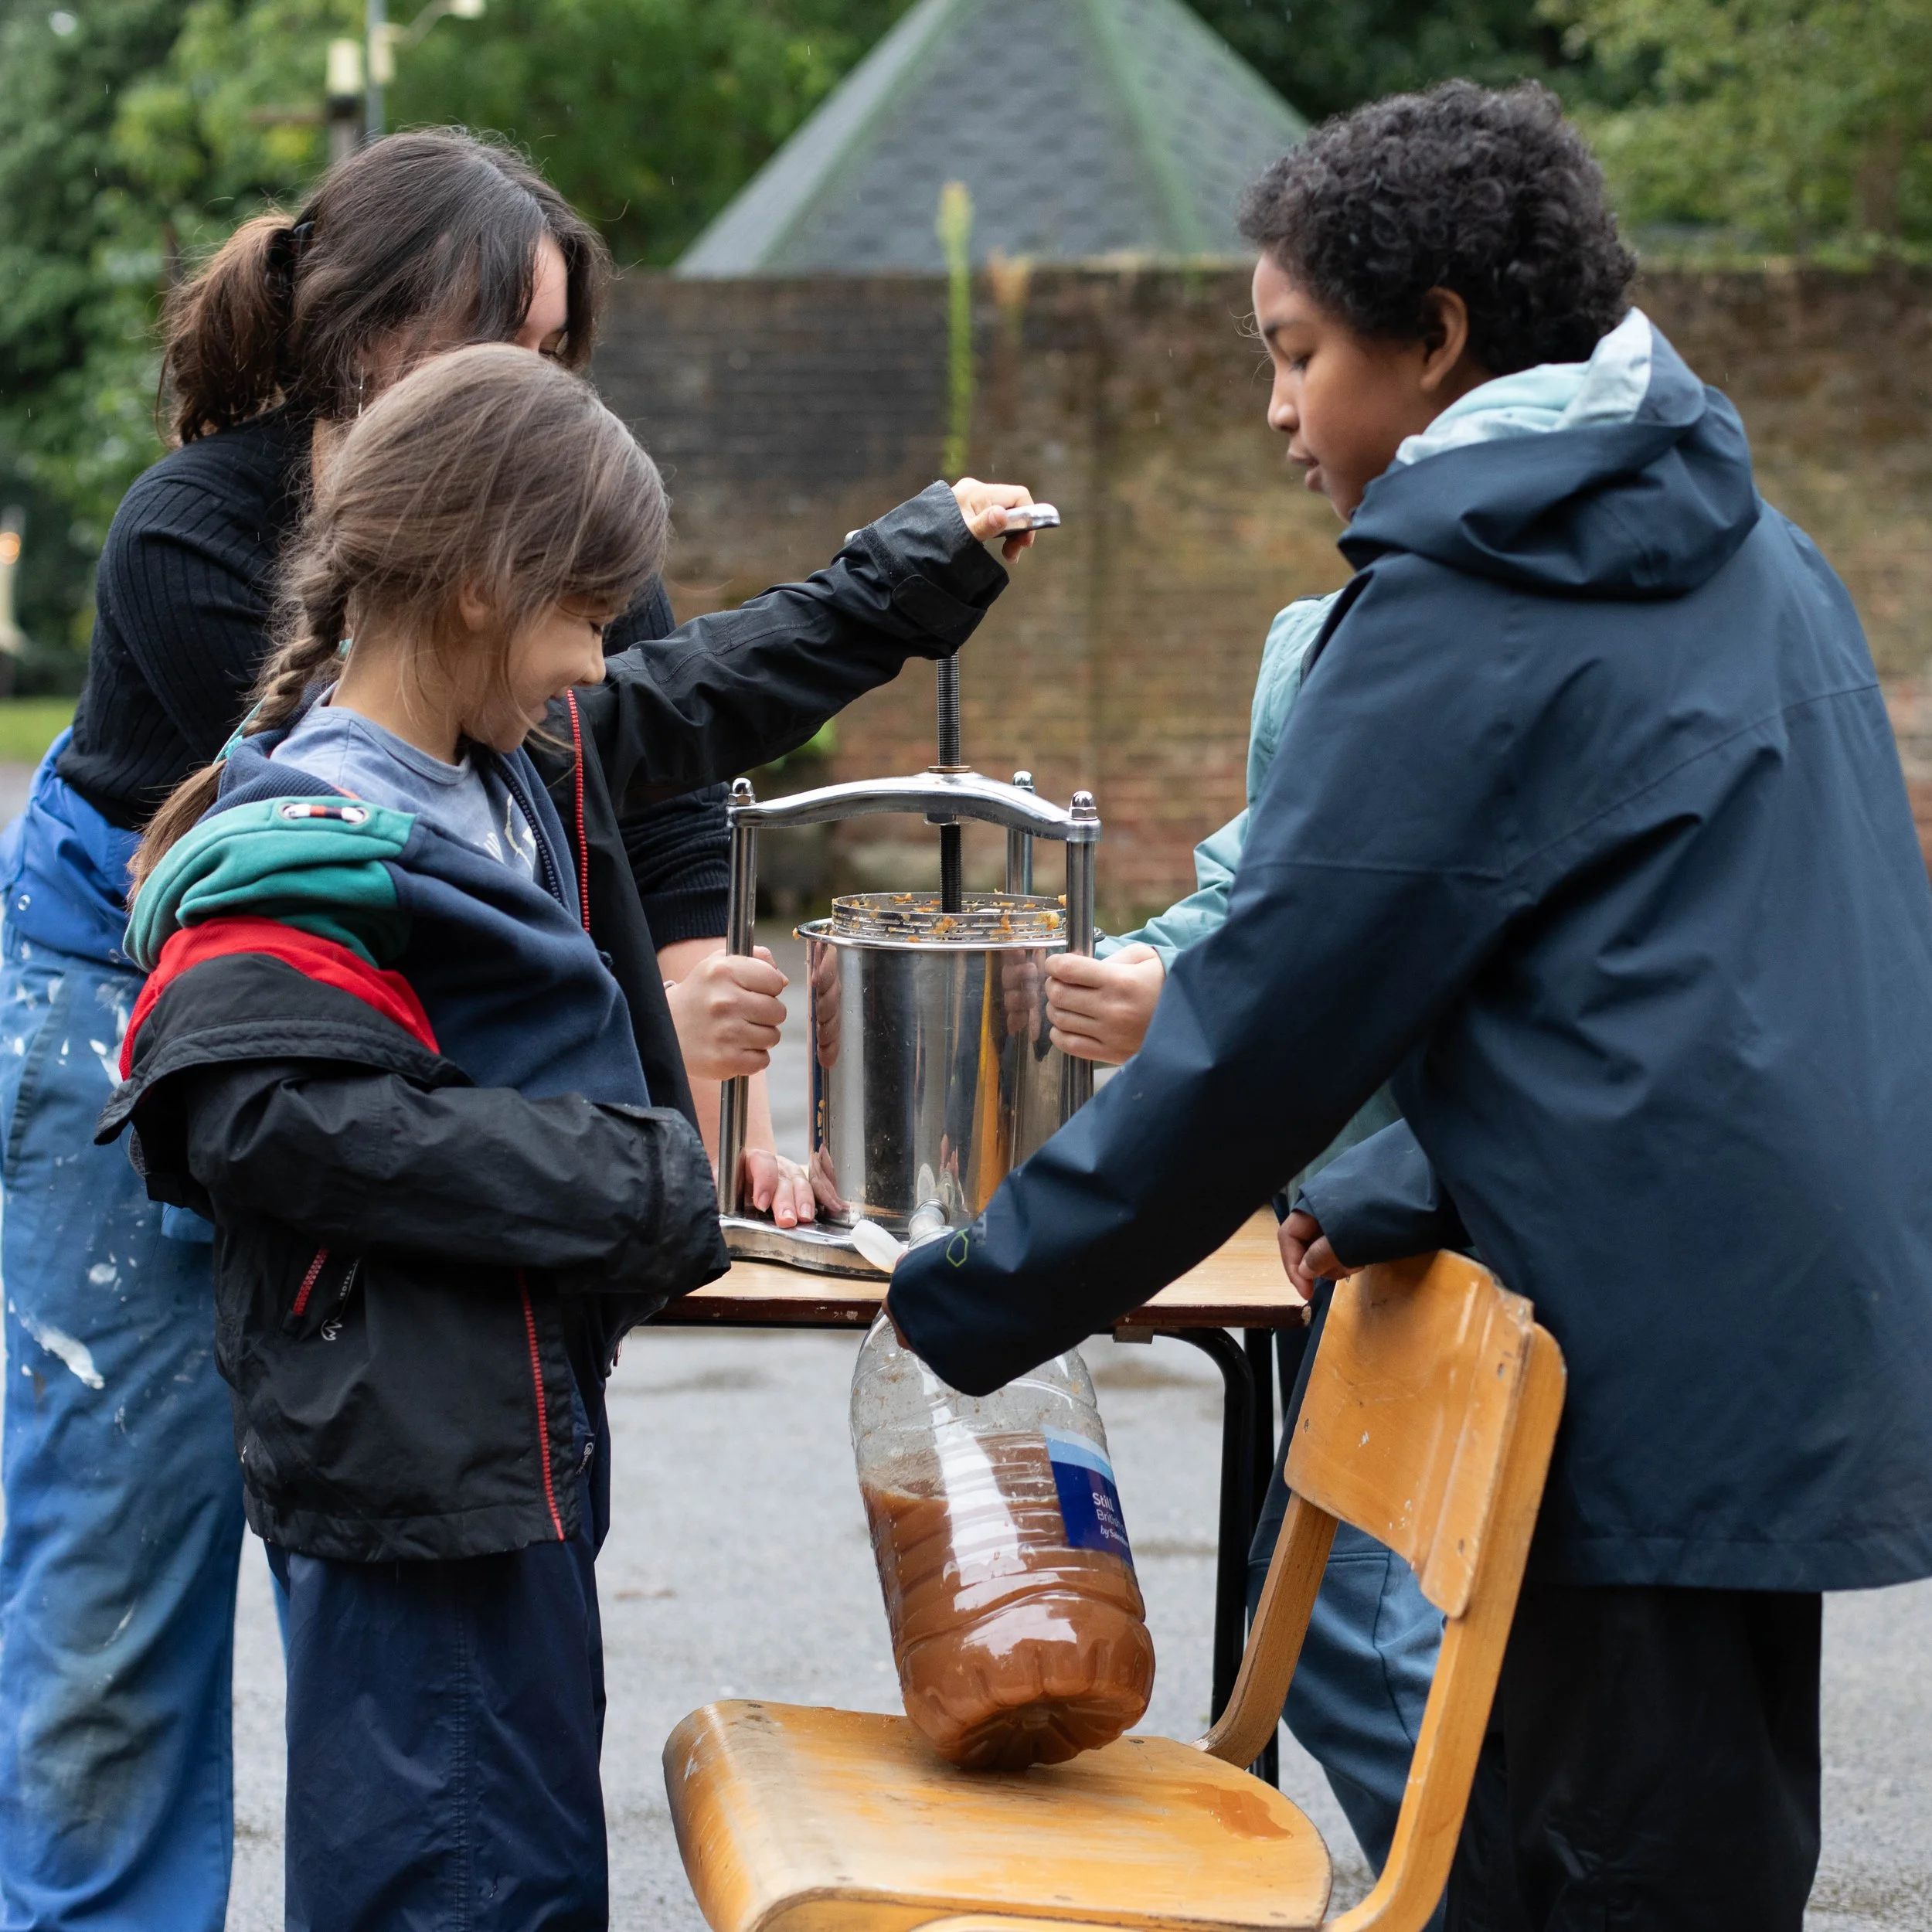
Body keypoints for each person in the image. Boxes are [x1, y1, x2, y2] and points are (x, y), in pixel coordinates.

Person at [888, 80, 1932, 1932]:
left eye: (1295, 354)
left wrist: (974, 1295)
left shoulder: (1465, 604)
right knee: (1565, 1847)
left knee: (1625, 1871)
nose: (1276, 411)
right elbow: (1640, 980)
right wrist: (1390, 1193)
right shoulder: (1747, 554)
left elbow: (1271, 1014)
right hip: (1736, 1300)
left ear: (1433, 342)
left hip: (1637, 1351)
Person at [0, 127, 993, 1928]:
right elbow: (291, 1038)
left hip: (377, 1067)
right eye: (497, 343)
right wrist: (621, 1155)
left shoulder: (519, 549)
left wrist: (697, 1042)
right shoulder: (217, 579)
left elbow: (640, 759)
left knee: (395, 1563)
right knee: (115, 1606)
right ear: (373, 334)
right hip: (143, 1007)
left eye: (552, 349)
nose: (533, 380)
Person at [1043, 596, 1433, 1881]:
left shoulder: (1477, 640)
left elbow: (1374, 919)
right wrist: (1131, 969)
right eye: (1271, 371)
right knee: (1333, 1609)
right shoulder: (1312, 637)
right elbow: (1267, 879)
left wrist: (1193, 1000)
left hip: (1429, 1227)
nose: (1279, 410)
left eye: (1303, 373)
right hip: (1350, 1217)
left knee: (1359, 1625)